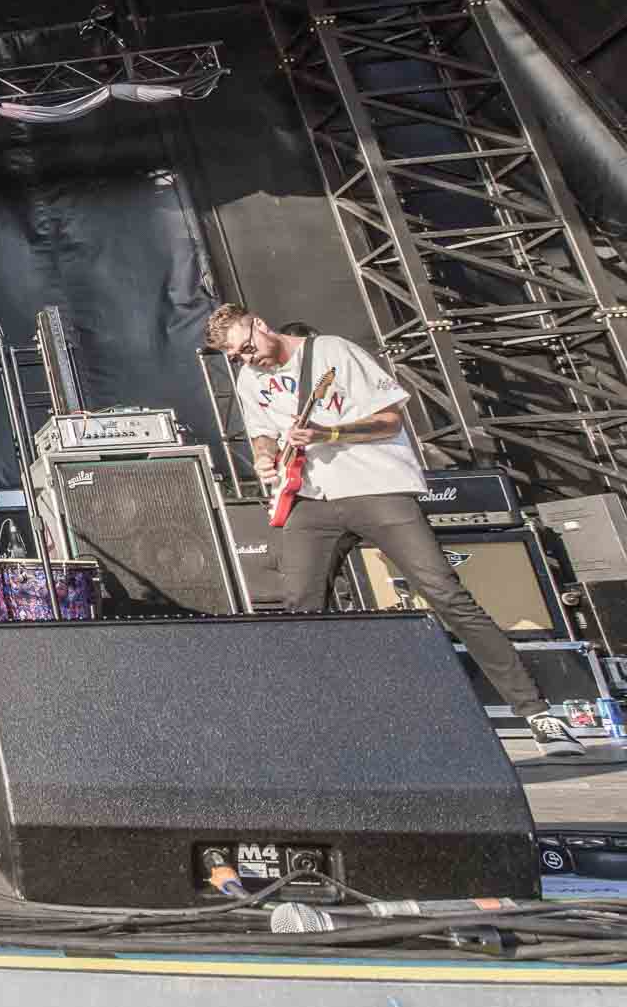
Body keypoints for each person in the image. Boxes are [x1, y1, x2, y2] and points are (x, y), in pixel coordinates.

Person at [204, 303, 585, 757]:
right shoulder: (250, 378)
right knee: (299, 609)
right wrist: (266, 456)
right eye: (236, 357)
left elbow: (389, 420)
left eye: (248, 348)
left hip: (375, 488)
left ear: (260, 325)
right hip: (309, 498)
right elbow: (262, 431)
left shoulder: (331, 353)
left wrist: (329, 434)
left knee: (445, 593)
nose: (248, 359)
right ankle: (318, 726)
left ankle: (538, 713)